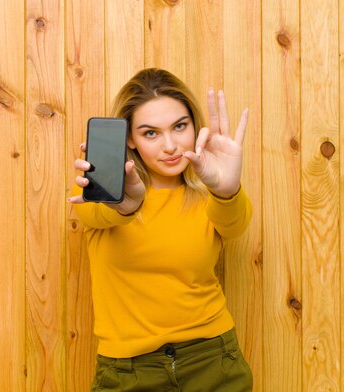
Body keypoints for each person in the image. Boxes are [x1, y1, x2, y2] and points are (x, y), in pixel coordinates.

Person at [68, 68, 253, 391]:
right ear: (129, 138)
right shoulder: (102, 191)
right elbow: (102, 214)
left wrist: (225, 189)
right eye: (150, 133)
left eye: (179, 127)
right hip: (129, 372)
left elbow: (235, 226)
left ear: (194, 124)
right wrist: (129, 204)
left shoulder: (213, 193)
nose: (170, 146)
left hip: (212, 360)